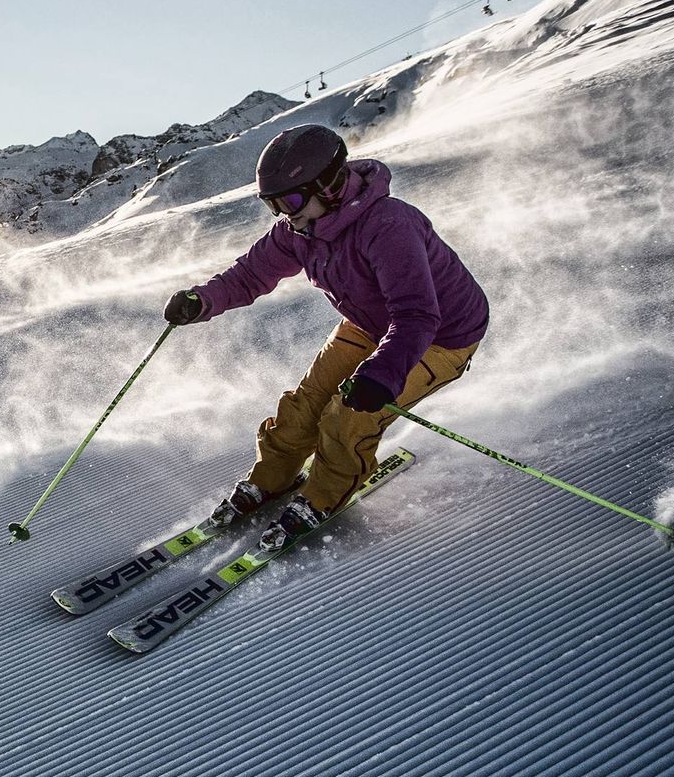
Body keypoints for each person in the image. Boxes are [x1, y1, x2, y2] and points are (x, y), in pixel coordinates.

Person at [164, 124, 489, 549]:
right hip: (370, 324)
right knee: (306, 402)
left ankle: (323, 495)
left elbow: (416, 315)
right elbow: (249, 275)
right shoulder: (300, 231)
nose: (284, 214)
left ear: (330, 185)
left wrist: (382, 374)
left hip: (439, 335)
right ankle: (272, 477)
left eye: (291, 201)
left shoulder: (389, 225)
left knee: (348, 415)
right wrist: (202, 300)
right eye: (273, 205)